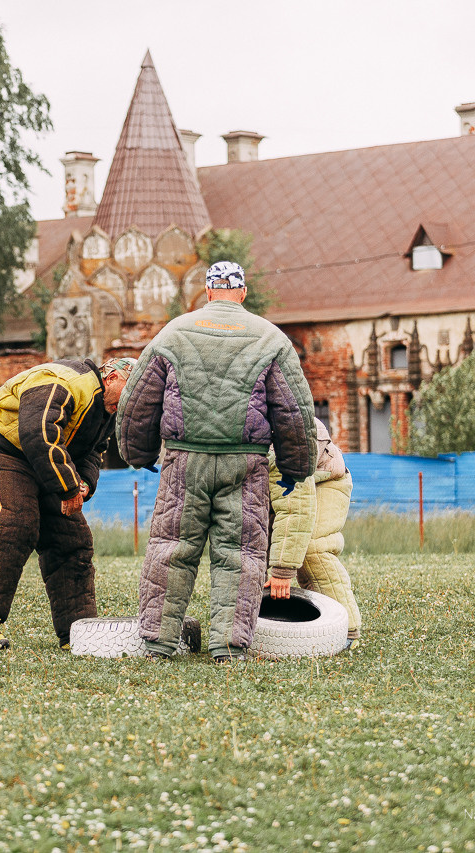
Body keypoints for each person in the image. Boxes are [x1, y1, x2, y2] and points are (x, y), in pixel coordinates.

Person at [117, 261, 316, 661]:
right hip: (245, 465)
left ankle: (158, 642)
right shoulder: (270, 338)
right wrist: (296, 468)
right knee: (240, 554)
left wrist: (137, 453)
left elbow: (136, 402)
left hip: (183, 461)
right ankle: (229, 646)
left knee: (171, 547)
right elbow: (295, 412)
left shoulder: (173, 332)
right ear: (242, 293)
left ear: (207, 292)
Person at [0, 356, 136, 650]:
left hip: (47, 463)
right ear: (111, 378)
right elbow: (38, 435)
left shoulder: (106, 409)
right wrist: (67, 488)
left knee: (73, 540)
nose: (129, 404)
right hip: (3, 451)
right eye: (130, 393)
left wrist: (83, 484)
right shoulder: (64, 381)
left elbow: (94, 451)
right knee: (17, 523)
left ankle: (76, 632)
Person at [264, 417, 361, 645]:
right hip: (278, 487)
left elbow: (294, 509)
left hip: (325, 480)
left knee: (312, 549)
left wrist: (282, 571)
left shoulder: (284, 440)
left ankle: (347, 629)